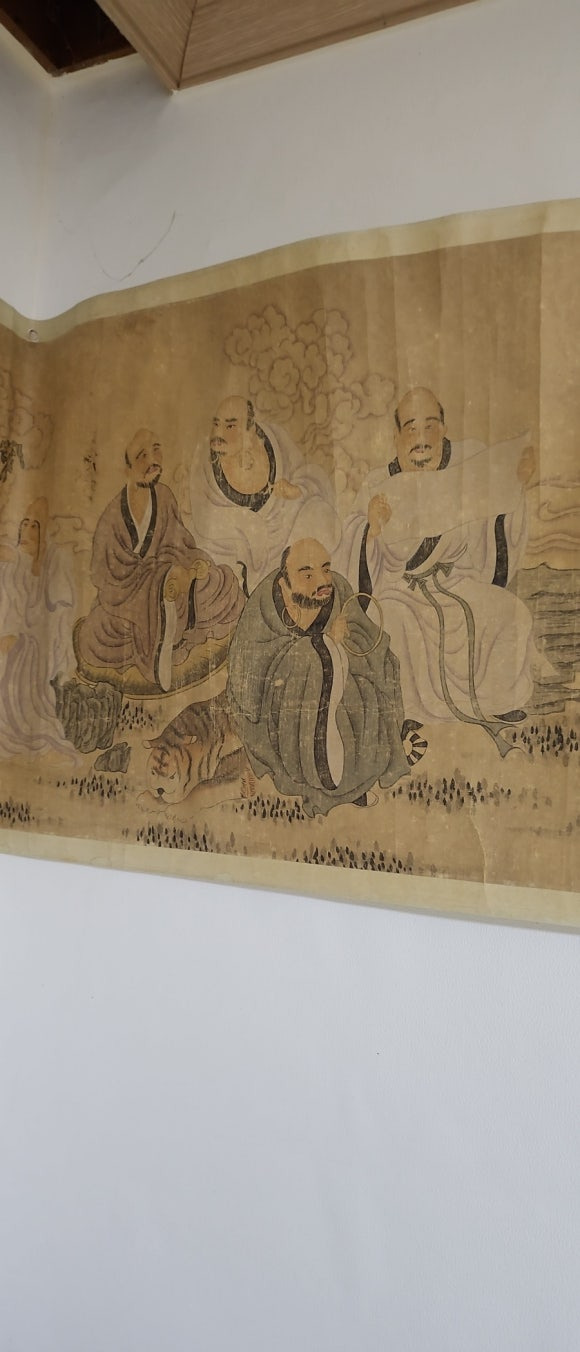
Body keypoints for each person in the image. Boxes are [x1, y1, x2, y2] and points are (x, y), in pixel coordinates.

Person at [336, 387, 538, 750]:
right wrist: (372, 529)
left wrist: (515, 485)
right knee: (392, 623)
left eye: (430, 426)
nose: (422, 439)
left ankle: (499, 701)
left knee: (512, 613)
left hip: (456, 582)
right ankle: (410, 710)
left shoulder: (470, 465)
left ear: (444, 429)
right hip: (401, 590)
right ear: (397, 436)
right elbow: (352, 548)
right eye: (411, 428)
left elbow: (496, 522)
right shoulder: (378, 483)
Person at [226, 537, 409, 817]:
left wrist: (344, 646)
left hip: (342, 690)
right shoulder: (263, 607)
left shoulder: (339, 591)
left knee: (363, 702)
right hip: (282, 711)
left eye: (325, 569)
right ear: (285, 583)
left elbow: (369, 643)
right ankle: (318, 778)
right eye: (308, 574)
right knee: (307, 665)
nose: (322, 580)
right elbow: (248, 674)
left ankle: (351, 784)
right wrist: (322, 646)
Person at [76, 429, 244, 691]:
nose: (152, 460)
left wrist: (192, 565)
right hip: (131, 602)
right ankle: (164, 635)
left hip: (175, 588)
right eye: (141, 456)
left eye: (156, 450)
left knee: (222, 582)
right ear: (127, 469)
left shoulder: (164, 497)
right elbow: (109, 578)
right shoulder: (112, 518)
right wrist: (159, 580)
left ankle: (172, 627)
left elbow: (179, 544)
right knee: (97, 633)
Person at [188, 395, 339, 593]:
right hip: (238, 546)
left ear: (250, 428)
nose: (219, 433)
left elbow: (309, 475)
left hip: (286, 533)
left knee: (319, 512)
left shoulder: (275, 439)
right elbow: (203, 517)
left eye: (230, 426)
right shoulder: (204, 462)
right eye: (216, 424)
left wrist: (296, 490)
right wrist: (249, 526)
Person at [0, 497, 77, 757]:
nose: (27, 530)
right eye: (25, 523)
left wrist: (20, 638)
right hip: (9, 641)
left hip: (32, 649)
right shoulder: (10, 567)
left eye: (35, 525)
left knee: (21, 651)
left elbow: (55, 619)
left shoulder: (51, 565)